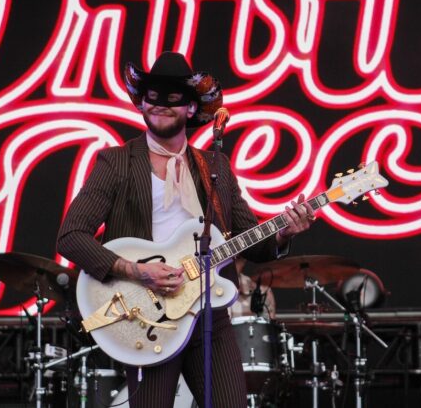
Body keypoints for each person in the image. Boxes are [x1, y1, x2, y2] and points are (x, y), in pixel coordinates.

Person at [57, 51, 315, 407]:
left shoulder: (215, 168)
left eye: (173, 98)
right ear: (141, 104)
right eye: (152, 96)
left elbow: (250, 241)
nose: (160, 105)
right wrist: (136, 270)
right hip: (149, 315)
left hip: (209, 313)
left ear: (192, 108)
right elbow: (70, 235)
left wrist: (284, 233)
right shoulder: (117, 162)